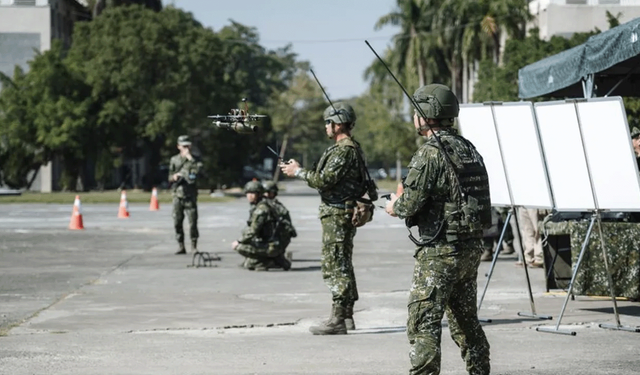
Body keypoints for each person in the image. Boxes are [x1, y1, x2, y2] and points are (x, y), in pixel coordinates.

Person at [383, 84, 491, 375]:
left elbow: (409, 204)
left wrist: (395, 204)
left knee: (424, 321)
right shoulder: (468, 148)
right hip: (469, 248)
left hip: (439, 253)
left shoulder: (430, 153)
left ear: (426, 114)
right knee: (466, 320)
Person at [280, 102, 370, 335]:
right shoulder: (351, 148)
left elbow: (323, 180)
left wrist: (297, 172)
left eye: (329, 122)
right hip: (340, 213)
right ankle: (346, 316)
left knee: (335, 266)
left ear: (339, 124)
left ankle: (338, 320)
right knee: (343, 263)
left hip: (337, 215)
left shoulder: (344, 150)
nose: (326, 127)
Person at [232, 180, 291, 271]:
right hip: (270, 242)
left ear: (259, 194)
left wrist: (239, 241)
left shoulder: (261, 209)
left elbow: (253, 231)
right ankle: (273, 259)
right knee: (249, 263)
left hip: (272, 245)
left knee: (240, 248)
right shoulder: (261, 206)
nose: (249, 196)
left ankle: (272, 260)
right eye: (248, 193)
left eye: (253, 193)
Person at [169, 135, 201, 255]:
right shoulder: (174, 160)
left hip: (190, 195)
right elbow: (169, 176)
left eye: (188, 146)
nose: (186, 148)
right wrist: (174, 177)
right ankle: (181, 245)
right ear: (178, 146)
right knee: (177, 221)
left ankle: (194, 245)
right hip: (178, 194)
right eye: (184, 146)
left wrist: (190, 158)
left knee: (193, 222)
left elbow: (198, 171)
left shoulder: (195, 159)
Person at [262, 180, 297, 254]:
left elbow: (288, 227)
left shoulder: (278, 207)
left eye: (270, 193)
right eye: (265, 192)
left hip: (275, 238)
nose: (267, 195)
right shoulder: (260, 205)